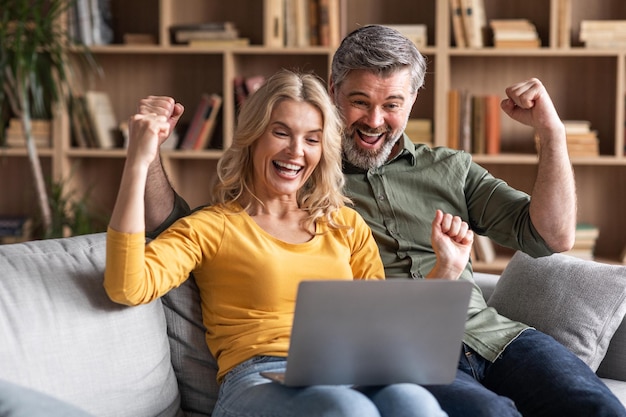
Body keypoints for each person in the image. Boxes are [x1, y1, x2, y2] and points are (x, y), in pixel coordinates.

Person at [141, 26, 626, 416]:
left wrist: (551, 133)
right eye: (359, 101)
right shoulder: (302, 177)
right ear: (333, 93)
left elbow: (553, 235)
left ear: (412, 101)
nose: (375, 120)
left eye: (391, 104)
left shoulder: (450, 167)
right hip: (405, 352)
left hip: (494, 334)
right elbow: (187, 228)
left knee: (596, 406)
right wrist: (148, 150)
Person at [104, 69, 475, 417]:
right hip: (256, 380)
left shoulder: (344, 225)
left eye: (312, 139)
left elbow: (381, 337)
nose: (296, 151)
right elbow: (127, 287)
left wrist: (447, 269)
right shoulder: (210, 227)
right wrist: (140, 158)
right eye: (281, 133)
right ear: (252, 138)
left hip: (344, 371)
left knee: (413, 401)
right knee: (348, 410)